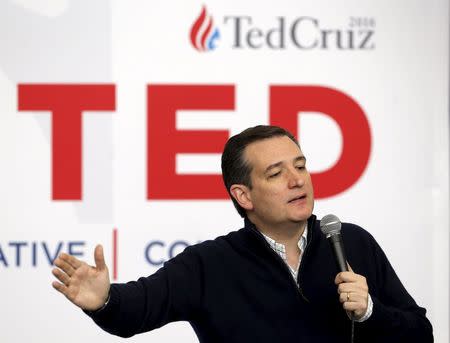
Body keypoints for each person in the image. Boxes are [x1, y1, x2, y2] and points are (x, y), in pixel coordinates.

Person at [52, 125, 433, 342]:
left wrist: (370, 312)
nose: (296, 179)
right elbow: (136, 309)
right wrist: (103, 301)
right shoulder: (209, 265)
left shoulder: (350, 242)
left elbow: (420, 335)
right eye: (276, 173)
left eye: (300, 166)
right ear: (243, 195)